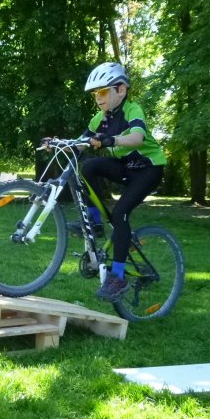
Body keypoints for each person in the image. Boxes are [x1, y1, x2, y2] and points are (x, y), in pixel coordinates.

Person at [80, 62, 166, 300]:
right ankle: (96, 223)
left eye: (103, 92)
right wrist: (56, 142)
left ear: (121, 90)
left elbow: (137, 138)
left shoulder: (132, 110)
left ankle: (118, 277)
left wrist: (110, 141)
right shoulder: (101, 118)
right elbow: (81, 141)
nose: (98, 98)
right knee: (88, 166)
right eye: (95, 94)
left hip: (148, 169)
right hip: (126, 167)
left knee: (120, 215)